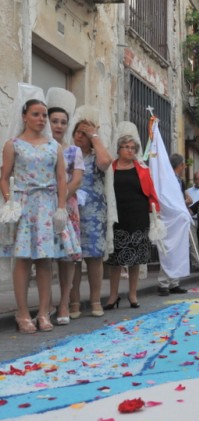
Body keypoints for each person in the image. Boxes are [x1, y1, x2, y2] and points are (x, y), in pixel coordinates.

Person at [0, 89, 68, 333]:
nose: (41, 119)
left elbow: (62, 179)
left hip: (47, 205)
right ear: (24, 116)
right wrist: (9, 202)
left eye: (44, 115)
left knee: (44, 260)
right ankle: (21, 312)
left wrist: (61, 208)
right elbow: (4, 177)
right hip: (23, 205)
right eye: (36, 114)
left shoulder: (54, 146)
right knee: (22, 259)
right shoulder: (13, 144)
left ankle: (42, 312)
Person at [104, 127, 160, 310]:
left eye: (132, 147)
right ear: (118, 149)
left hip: (138, 216)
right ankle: (113, 296)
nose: (130, 150)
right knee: (115, 260)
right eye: (126, 147)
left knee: (135, 259)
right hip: (117, 217)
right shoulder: (110, 168)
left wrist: (154, 211)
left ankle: (133, 294)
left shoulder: (142, 169)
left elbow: (151, 191)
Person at [68, 107, 113, 317]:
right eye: (78, 131)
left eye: (84, 133)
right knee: (73, 258)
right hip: (72, 210)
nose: (80, 136)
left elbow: (106, 162)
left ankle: (95, 300)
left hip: (94, 213)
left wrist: (94, 135)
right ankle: (74, 301)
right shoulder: (67, 153)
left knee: (94, 258)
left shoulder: (96, 156)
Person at [46, 88, 85, 325]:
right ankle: (45, 303)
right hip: (41, 207)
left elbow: (77, 179)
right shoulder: (43, 148)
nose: (58, 126)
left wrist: (60, 200)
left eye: (63, 122)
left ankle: (63, 303)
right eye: (54, 121)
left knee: (67, 257)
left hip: (67, 207)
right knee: (43, 256)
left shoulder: (73, 151)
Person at [156, 153, 190, 296]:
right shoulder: (165, 180)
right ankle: (163, 283)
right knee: (167, 250)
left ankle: (174, 282)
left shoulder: (180, 181)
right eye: (184, 164)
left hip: (179, 221)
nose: (185, 167)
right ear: (180, 165)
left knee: (179, 250)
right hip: (168, 219)